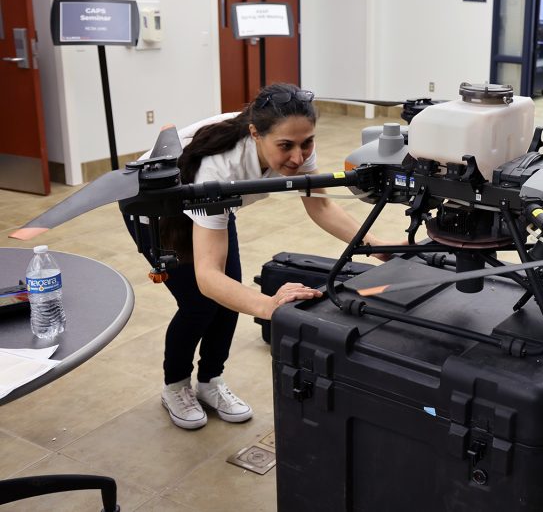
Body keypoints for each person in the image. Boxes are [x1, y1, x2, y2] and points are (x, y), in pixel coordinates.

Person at [126, 83, 391, 430]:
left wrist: (375, 244)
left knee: (230, 295)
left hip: (212, 206)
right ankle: (175, 386)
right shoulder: (220, 168)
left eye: (306, 143)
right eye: (286, 147)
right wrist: (270, 307)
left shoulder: (293, 140)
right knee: (200, 303)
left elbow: (321, 204)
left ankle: (210, 382)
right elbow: (208, 278)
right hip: (157, 211)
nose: (298, 157)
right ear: (255, 134)